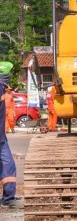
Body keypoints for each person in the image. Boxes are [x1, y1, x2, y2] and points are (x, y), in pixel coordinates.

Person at [0, 65, 22, 208]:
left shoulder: (2, 88)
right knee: (7, 164)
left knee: (8, 165)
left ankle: (8, 198)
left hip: (1, 137)